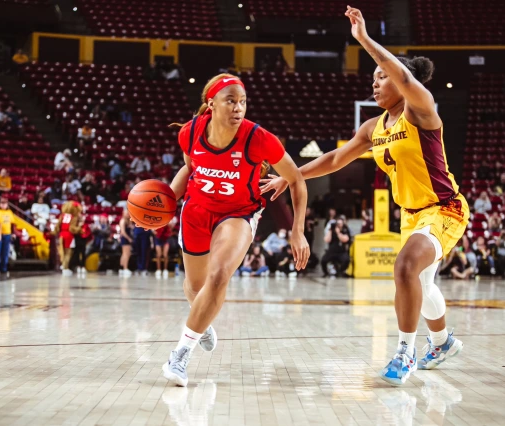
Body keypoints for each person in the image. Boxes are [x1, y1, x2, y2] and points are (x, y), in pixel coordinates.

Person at [260, 6, 469, 386]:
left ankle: (404, 352)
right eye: (372, 78)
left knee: (405, 267)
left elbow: (404, 77)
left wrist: (364, 40)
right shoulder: (374, 126)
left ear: (399, 82)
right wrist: (289, 177)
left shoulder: (421, 111)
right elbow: (335, 159)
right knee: (422, 284)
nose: (374, 84)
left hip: (444, 208)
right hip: (411, 214)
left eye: (381, 77)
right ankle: (442, 342)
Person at [160, 73, 309, 387]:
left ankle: (180, 354)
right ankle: (202, 320)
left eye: (242, 101)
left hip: (238, 213)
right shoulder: (190, 133)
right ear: (211, 103)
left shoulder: (258, 138)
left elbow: (296, 179)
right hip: (197, 211)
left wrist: (297, 231)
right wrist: (164, 206)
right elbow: (190, 168)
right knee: (195, 288)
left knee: (219, 275)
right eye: (231, 101)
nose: (238, 108)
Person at [0, 197, 15, 276]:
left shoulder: (9, 212)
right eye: (2, 203)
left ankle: (4, 268)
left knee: (5, 252)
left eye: (5, 203)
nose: (3, 205)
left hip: (7, 233)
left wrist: (13, 233)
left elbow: (12, 223)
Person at [118, 210, 134, 277]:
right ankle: (125, 268)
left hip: (127, 238)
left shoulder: (128, 221)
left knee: (125, 254)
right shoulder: (122, 221)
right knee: (126, 254)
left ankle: (121, 268)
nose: (128, 215)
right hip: (125, 239)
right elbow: (123, 232)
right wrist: (129, 238)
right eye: (126, 213)